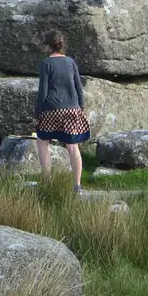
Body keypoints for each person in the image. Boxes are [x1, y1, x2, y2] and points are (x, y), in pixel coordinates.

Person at [35, 29, 89, 191]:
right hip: (72, 108)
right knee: (73, 146)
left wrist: (37, 114)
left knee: (42, 141)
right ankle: (77, 185)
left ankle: (46, 181)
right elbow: (79, 88)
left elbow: (43, 92)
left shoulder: (45, 64)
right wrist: (81, 107)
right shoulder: (71, 62)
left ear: (48, 46)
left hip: (51, 109)